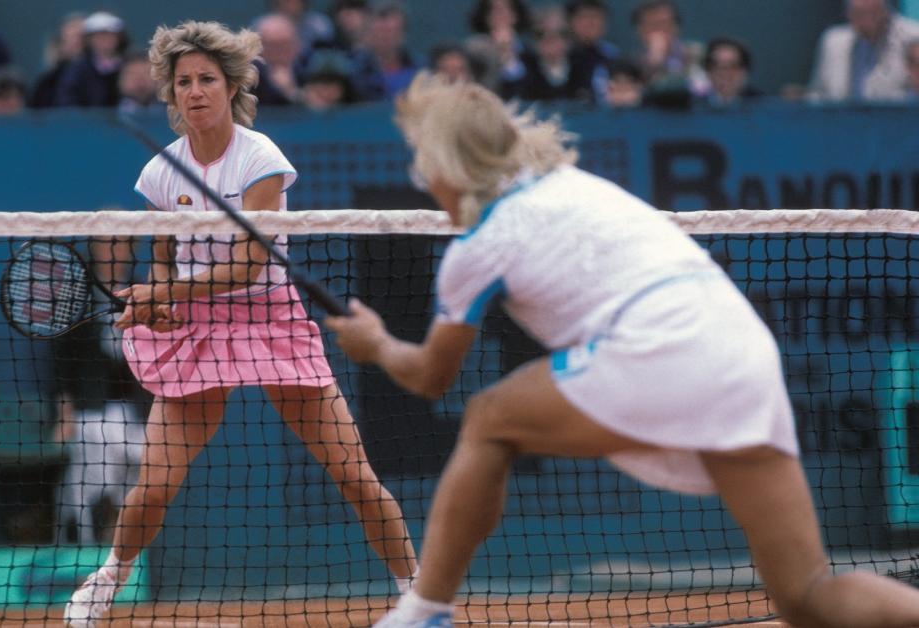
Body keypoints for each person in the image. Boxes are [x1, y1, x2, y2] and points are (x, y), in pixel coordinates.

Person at [325, 72, 919, 628]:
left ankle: (426, 608)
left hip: (664, 349)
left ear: (450, 167)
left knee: (489, 419)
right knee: (806, 596)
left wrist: (375, 344)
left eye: (424, 162)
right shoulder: (574, 185)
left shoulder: (480, 249)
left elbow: (431, 376)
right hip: (742, 355)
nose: (422, 178)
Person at [63, 20, 418, 627]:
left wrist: (167, 288)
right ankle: (108, 579)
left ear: (231, 88)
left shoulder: (261, 160)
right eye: (183, 82)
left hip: (271, 318)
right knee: (151, 488)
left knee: (356, 479)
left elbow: (250, 264)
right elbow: (165, 262)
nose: (195, 91)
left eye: (206, 79)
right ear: (171, 95)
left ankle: (417, 592)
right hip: (198, 328)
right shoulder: (161, 173)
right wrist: (155, 303)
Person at [809, 0, 919, 102]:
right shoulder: (833, 42)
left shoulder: (914, 37)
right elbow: (818, 94)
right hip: (839, 120)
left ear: (886, 10)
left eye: (872, 13)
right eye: (859, 13)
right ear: (849, 13)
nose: (867, 21)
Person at [55, 11, 127, 108]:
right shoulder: (76, 70)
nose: (104, 40)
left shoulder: (128, 65)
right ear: (89, 39)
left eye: (109, 35)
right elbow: (67, 101)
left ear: (119, 38)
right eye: (99, 36)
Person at [32, 12, 85, 109]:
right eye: (70, 37)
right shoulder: (48, 82)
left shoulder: (108, 76)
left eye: (81, 37)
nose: (76, 42)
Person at [697, 37, 762, 107]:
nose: (724, 73)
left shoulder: (764, 107)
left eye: (733, 66)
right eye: (717, 66)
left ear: (744, 71)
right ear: (708, 71)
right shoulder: (690, 109)